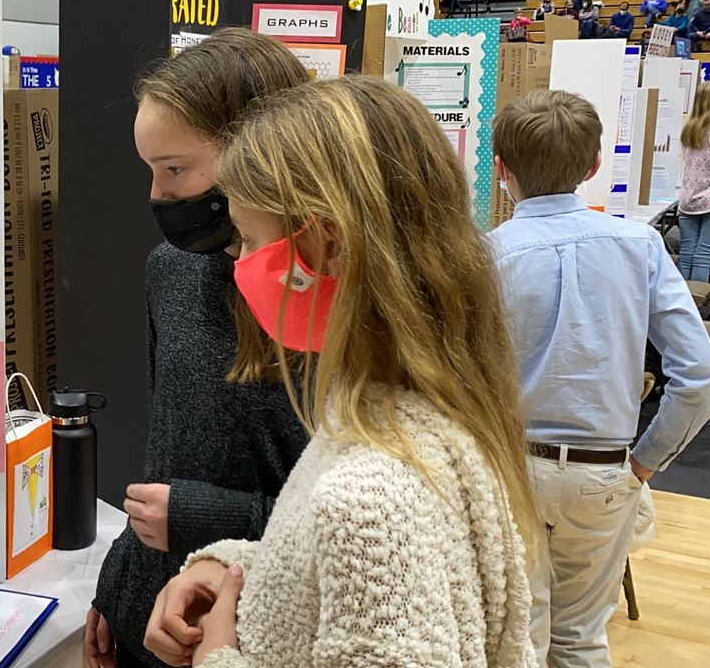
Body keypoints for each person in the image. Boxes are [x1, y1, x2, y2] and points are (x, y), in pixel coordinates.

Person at [142, 75, 536, 668]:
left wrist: (220, 657)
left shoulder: (371, 494)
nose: (241, 262)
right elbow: (328, 576)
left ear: (329, 245)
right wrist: (226, 566)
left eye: (249, 239)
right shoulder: (397, 412)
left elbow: (365, 547)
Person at [85, 28, 310, 668]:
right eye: (151, 170)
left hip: (253, 630)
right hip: (147, 620)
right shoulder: (173, 270)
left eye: (175, 169)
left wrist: (201, 516)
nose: (158, 196)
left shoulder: (326, 300)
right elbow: (166, 450)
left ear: (262, 153)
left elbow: (351, 520)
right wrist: (118, 586)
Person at [490, 90, 710, 668]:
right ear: (594, 167)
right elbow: (699, 375)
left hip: (510, 469)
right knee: (581, 640)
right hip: (603, 471)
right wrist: (644, 463)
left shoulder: (485, 256)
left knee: (518, 638)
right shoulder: (640, 245)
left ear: (501, 170)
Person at [678, 81, 710, 282]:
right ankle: (695, 307)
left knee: (686, 254)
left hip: (687, 200)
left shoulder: (688, 130)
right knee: (704, 255)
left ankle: (679, 303)